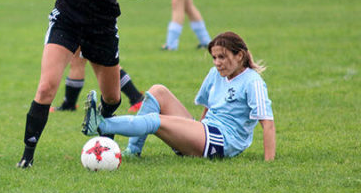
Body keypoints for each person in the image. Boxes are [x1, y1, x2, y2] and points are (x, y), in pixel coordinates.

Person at [0, 0, 148, 168]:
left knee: (113, 98)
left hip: (101, 28)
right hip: (66, 23)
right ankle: (27, 156)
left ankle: (103, 136)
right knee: (45, 88)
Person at [82, 31, 276, 161]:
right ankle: (133, 151)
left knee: (155, 120)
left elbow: (268, 124)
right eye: (214, 57)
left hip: (222, 143)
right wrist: (194, 132)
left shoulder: (253, 82)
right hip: (207, 133)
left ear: (240, 56)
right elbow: (207, 107)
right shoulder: (215, 74)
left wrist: (269, 163)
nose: (217, 62)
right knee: (158, 91)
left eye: (222, 57)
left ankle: (101, 124)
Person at [30, 0, 145, 114]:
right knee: (81, 59)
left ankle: (135, 97)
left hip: (89, 14)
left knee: (100, 63)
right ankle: (69, 103)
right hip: (80, 12)